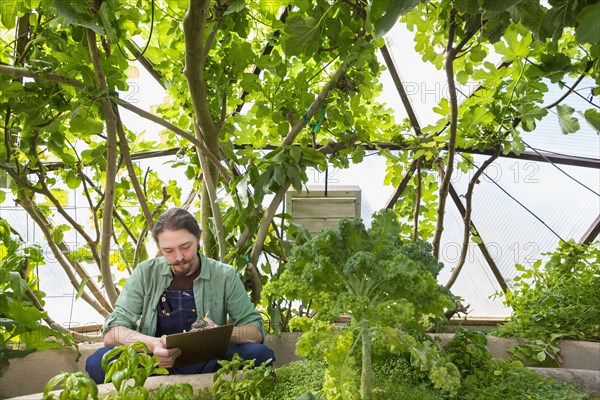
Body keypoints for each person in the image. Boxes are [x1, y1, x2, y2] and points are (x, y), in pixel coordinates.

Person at [85, 207, 274, 383]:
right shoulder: (145, 273)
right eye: (168, 250)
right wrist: (154, 345)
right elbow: (112, 332)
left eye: (185, 246)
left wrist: (217, 333)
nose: (179, 257)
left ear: (198, 238)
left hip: (210, 360)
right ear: (160, 247)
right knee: (97, 362)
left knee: (260, 354)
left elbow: (255, 331)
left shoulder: (224, 275)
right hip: (155, 362)